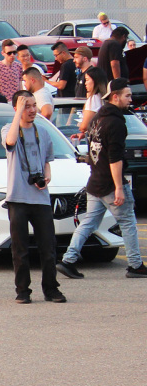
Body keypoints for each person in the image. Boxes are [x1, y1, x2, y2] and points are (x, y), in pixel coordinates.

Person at [57, 79, 146, 279]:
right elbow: (115, 158)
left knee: (89, 222)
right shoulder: (116, 123)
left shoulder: (98, 118)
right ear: (115, 96)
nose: (130, 100)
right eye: (127, 95)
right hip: (109, 183)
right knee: (128, 222)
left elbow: (94, 151)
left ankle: (68, 260)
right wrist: (119, 187)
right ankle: (135, 265)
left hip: (95, 181)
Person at [2, 91, 64, 304]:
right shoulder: (8, 129)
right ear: (17, 108)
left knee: (48, 248)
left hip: (40, 198)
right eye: (26, 106)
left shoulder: (43, 132)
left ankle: (51, 289)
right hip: (18, 198)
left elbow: (47, 160)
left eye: (34, 105)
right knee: (20, 249)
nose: (32, 110)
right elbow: (10, 141)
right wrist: (17, 113)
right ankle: (22, 291)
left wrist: (47, 175)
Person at [74, 66, 107, 139]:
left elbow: (84, 126)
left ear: (95, 81)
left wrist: (81, 127)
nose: (85, 83)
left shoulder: (94, 99)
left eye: (87, 80)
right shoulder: (103, 98)